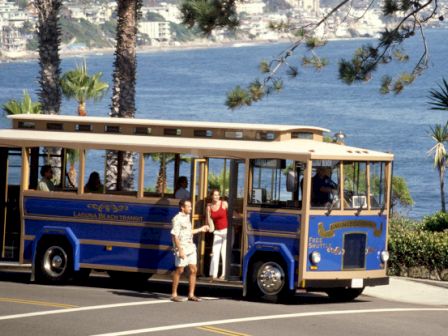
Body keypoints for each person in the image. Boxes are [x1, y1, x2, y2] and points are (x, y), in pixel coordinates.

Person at [171, 199, 208, 302]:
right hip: (182, 247)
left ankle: (191, 294)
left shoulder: (187, 217)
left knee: (193, 270)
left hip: (190, 247)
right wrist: (180, 250)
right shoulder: (177, 219)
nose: (191, 208)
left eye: (191, 206)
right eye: (189, 206)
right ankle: (174, 294)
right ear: (182, 208)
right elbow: (174, 235)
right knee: (180, 270)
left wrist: (201, 229)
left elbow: (189, 232)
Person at [207, 189, 229, 281]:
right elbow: (209, 219)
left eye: (218, 195)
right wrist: (210, 229)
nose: (216, 197)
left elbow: (231, 213)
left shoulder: (224, 204)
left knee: (224, 253)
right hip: (217, 232)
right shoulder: (209, 206)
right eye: (214, 195)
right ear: (211, 196)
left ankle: (224, 274)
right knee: (215, 252)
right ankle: (214, 274)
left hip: (226, 231)